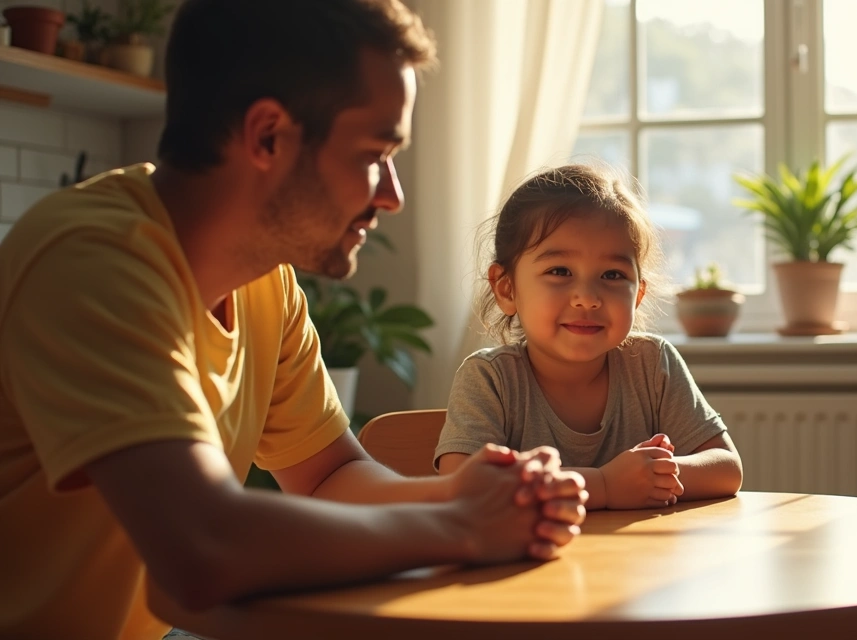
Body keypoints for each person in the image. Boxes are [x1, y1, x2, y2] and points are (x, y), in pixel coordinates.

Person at [0, 2, 588, 639]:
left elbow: (329, 476)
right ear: (268, 136)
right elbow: (202, 547)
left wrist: (463, 493)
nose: (391, 195)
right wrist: (465, 528)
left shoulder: (264, 281)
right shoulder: (92, 261)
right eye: (375, 153)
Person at [433, 165, 743, 510]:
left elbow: (727, 469)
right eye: (559, 271)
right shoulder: (490, 379)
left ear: (637, 295)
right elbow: (466, 487)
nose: (588, 297)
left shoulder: (653, 364)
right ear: (507, 288)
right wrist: (606, 486)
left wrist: (652, 475)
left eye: (612, 275)